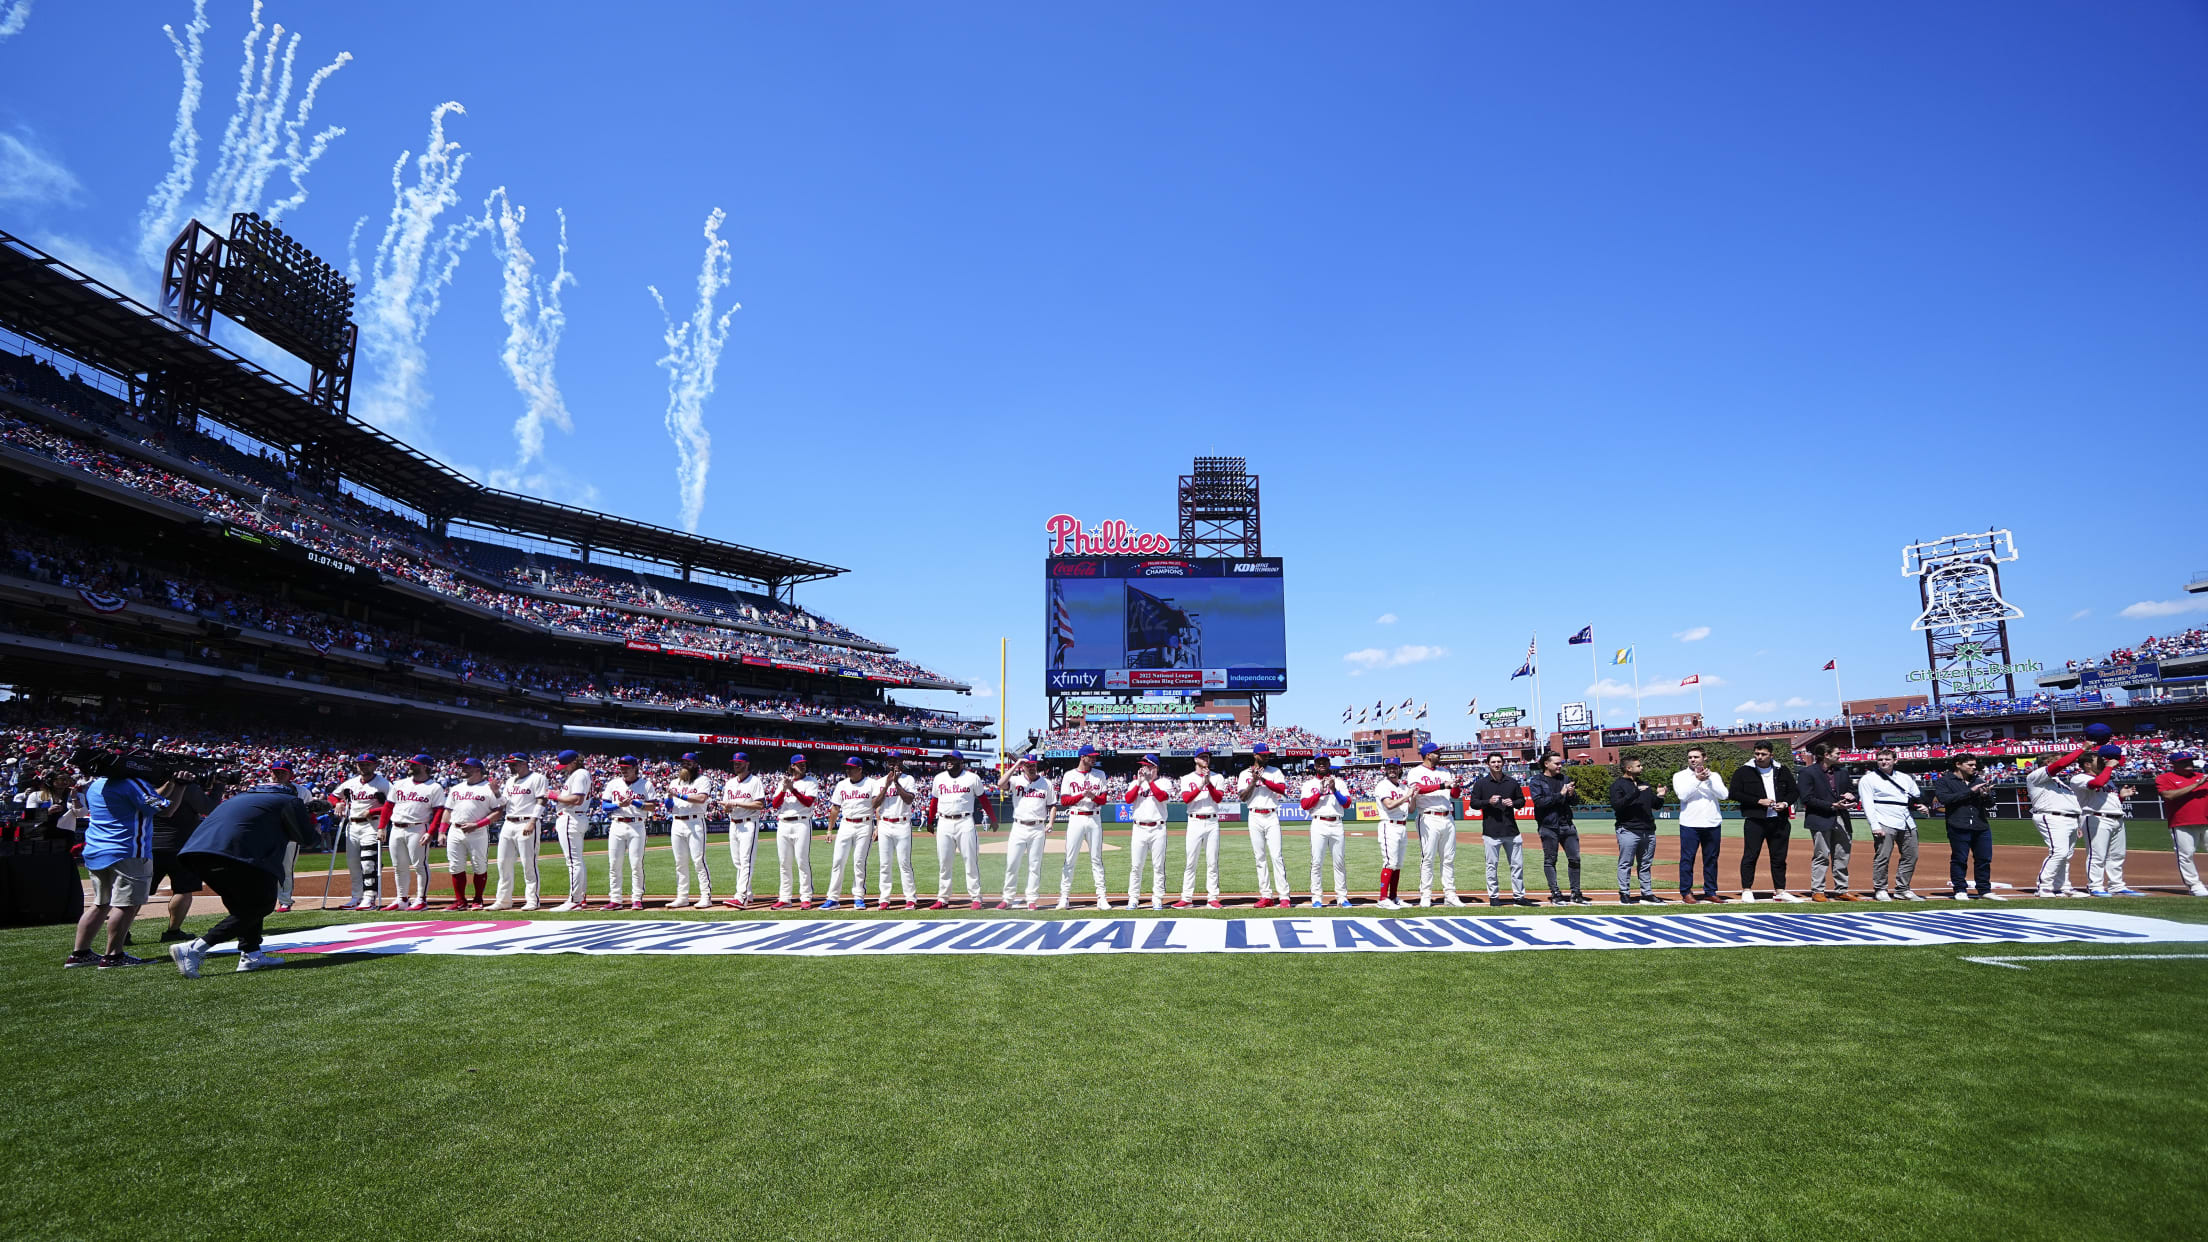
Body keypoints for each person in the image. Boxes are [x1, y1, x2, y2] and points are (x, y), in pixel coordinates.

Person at [166, 783, 319, 978]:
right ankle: (195, 947)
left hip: (196, 854)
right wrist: (310, 817)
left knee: (244, 907)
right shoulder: (290, 800)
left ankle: (251, 954)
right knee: (261, 905)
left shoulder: (239, 798)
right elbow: (307, 838)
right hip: (237, 854)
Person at [65, 757, 169, 969]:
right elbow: (161, 807)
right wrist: (176, 784)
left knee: (100, 904)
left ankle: (80, 953)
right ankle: (114, 955)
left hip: (96, 849)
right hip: (127, 850)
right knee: (127, 905)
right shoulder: (131, 783)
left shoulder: (97, 784)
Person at [1727, 742, 1802, 902]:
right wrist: (1758, 801)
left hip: (1779, 820)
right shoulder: (1743, 771)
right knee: (1750, 855)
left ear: (1771, 755)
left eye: (1763, 754)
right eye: (1756, 754)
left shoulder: (1782, 770)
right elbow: (1734, 793)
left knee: (1779, 857)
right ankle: (1747, 890)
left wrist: (1785, 804)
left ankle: (1780, 891)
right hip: (1755, 820)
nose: (1759, 757)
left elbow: (1794, 791)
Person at [1855, 748, 1928, 901]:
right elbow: (1867, 804)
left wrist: (1921, 806)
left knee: (1911, 855)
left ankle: (1903, 889)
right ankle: (1880, 889)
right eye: (1880, 759)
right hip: (1884, 820)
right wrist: (1874, 825)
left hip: (1906, 820)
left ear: (1895, 760)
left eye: (1887, 759)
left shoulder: (1905, 778)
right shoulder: (1868, 779)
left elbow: (1916, 796)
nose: (1884, 762)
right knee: (1882, 856)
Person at [149, 771, 213, 943]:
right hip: (181, 845)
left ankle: (124, 931)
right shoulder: (187, 787)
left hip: (150, 845)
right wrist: (219, 786)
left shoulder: (144, 787)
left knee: (140, 892)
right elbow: (209, 808)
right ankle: (173, 930)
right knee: (183, 889)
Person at [1929, 754, 2001, 900]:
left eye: (1975, 765)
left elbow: (1990, 804)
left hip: (1980, 825)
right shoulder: (1945, 781)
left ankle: (1984, 890)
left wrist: (1986, 795)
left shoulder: (1978, 780)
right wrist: (1971, 791)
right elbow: (1944, 799)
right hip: (1958, 824)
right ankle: (1960, 889)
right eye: (1970, 765)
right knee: (1959, 859)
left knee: (1984, 859)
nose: (1974, 768)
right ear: (1958, 764)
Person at [2025, 744, 2089, 898]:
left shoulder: (2059, 782)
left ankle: (2063, 887)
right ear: (2048, 762)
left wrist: (2078, 823)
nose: (2064, 763)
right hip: (2051, 816)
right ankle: (2044, 887)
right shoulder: (2036, 775)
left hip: (2069, 819)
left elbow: (2071, 803)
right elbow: (2061, 764)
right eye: (2057, 760)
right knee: (2058, 852)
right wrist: (2082, 749)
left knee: (2066, 855)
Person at [928, 751, 990, 910]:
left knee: (970, 861)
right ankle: (943, 898)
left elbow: (983, 799)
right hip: (944, 822)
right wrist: (930, 821)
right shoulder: (939, 778)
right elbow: (934, 801)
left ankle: (976, 898)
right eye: (947, 759)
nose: (949, 762)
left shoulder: (972, 778)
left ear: (961, 762)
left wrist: (993, 819)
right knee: (944, 862)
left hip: (965, 821)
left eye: (952, 759)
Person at [329, 755, 392, 912]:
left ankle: (370, 897)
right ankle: (356, 897)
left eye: (367, 764)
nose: (364, 767)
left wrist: (372, 811)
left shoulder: (383, 784)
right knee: (353, 863)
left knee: (368, 862)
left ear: (375, 766)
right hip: (352, 826)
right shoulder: (350, 783)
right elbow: (332, 796)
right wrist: (339, 803)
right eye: (360, 764)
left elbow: (393, 805)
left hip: (372, 825)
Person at [1798, 742, 1859, 902]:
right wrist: (1831, 805)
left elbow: (1852, 792)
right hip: (1820, 818)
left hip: (1842, 818)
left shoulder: (1842, 772)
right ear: (1826, 754)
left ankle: (1842, 890)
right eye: (1837, 753)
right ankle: (1817, 890)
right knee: (1821, 855)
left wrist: (1852, 798)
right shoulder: (1807, 772)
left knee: (1842, 855)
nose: (1840, 756)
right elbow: (1807, 798)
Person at [2076, 745, 2140, 898]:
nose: (2103, 763)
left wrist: (2122, 796)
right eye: (2099, 760)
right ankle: (2095, 885)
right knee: (2097, 855)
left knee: (2117, 855)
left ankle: (2116, 885)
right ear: (2087, 764)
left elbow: (2106, 799)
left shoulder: (2107, 779)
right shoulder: (2080, 778)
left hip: (2116, 817)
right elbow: (2096, 785)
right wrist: (2110, 767)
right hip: (2096, 817)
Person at [386, 754, 447, 911]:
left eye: (414, 764)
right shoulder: (399, 784)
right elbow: (388, 806)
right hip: (396, 827)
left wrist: (431, 831)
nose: (410, 766)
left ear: (425, 767)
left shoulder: (434, 787)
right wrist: (381, 827)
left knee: (420, 865)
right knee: (399, 866)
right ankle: (402, 899)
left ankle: (421, 899)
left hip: (418, 827)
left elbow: (439, 811)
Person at [1414, 744, 1472, 906]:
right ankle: (1425, 894)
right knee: (1428, 858)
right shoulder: (1416, 772)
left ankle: (1450, 894)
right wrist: (1442, 785)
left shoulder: (1444, 772)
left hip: (1447, 817)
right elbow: (1417, 789)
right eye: (1436, 752)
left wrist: (1456, 785)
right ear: (1427, 755)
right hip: (1428, 817)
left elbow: (1454, 794)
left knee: (1448, 858)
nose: (1439, 754)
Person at [1055, 745, 1111, 911]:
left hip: (1094, 817)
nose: (1094, 759)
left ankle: (1101, 897)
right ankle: (1064, 897)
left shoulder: (1100, 774)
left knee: (1096, 859)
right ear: (1082, 757)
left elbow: (1103, 800)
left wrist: (1093, 796)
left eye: (1095, 756)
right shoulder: (1069, 775)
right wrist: (1082, 795)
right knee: (1070, 859)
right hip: (1076, 817)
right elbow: (1064, 802)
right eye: (1091, 756)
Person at [1527, 753, 1588, 905]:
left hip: (1567, 824)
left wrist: (1572, 795)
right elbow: (1539, 802)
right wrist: (1560, 794)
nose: (1560, 766)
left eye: (1560, 763)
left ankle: (1576, 893)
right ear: (1546, 764)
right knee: (1550, 860)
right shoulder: (1536, 781)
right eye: (1556, 763)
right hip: (1548, 826)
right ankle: (1555, 894)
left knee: (1575, 859)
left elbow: (1573, 802)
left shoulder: (1564, 779)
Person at [488, 753, 546, 911]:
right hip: (509, 822)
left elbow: (542, 800)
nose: (510, 766)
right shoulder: (510, 781)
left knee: (529, 863)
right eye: (509, 763)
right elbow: (504, 803)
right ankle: (503, 900)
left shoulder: (537, 778)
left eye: (513, 763)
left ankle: (532, 900)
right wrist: (496, 792)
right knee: (503, 863)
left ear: (523, 763)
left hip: (526, 821)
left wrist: (533, 821)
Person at [1238, 743, 1292, 908]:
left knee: (1276, 856)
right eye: (1263, 755)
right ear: (1255, 755)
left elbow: (1281, 789)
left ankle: (1284, 896)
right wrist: (1253, 782)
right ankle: (1266, 895)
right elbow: (1243, 797)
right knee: (1260, 857)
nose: (1266, 757)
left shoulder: (1275, 771)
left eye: (1268, 755)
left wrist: (1262, 779)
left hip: (1271, 815)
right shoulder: (1244, 774)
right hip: (1254, 815)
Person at [1174, 748, 1229, 909]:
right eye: (1203, 757)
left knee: (1212, 862)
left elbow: (1218, 798)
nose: (1206, 759)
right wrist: (1200, 785)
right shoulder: (1187, 778)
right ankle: (1187, 898)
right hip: (1194, 820)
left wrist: (1208, 783)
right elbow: (1186, 799)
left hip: (1212, 821)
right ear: (1195, 759)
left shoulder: (1217, 777)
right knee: (1191, 861)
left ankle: (1212, 898)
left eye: (1208, 757)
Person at [1671, 747, 1727, 903]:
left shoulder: (1714, 776)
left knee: (1711, 859)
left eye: (1696, 757)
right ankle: (1686, 892)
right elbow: (1682, 796)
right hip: (1690, 823)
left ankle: (1710, 891)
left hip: (1712, 822)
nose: (1693, 760)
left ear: (1705, 757)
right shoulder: (1680, 776)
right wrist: (1697, 780)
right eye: (1690, 757)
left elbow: (1724, 795)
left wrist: (1708, 780)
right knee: (1687, 859)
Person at [1607, 756, 1666, 904]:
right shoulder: (1618, 785)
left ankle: (1647, 893)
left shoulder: (1644, 785)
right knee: (1626, 863)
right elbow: (1617, 805)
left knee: (1645, 864)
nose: (1642, 768)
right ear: (1629, 768)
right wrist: (1634, 792)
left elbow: (1656, 805)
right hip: (1628, 830)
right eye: (1638, 766)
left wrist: (1660, 796)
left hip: (1648, 830)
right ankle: (1624, 893)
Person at [1467, 752, 1523, 907]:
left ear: (1503, 763)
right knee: (1492, 866)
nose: (1496, 764)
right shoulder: (1481, 784)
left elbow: (1522, 801)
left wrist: (1513, 802)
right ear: (1488, 764)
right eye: (1493, 762)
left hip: (1511, 830)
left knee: (1517, 865)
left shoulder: (1511, 782)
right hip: (1491, 831)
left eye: (1499, 761)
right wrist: (1488, 802)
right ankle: (1494, 897)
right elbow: (1474, 803)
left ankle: (1519, 896)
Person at [443, 758, 499, 910]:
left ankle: (478, 899)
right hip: (455, 829)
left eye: (467, 767)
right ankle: (460, 901)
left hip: (477, 831)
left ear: (477, 770)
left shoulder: (488, 788)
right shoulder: (456, 788)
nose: (463, 769)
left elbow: (498, 812)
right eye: (463, 767)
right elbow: (448, 810)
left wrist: (477, 824)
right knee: (455, 866)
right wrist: (442, 831)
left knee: (479, 865)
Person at [825, 757, 879, 911]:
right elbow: (835, 808)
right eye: (846, 767)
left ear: (860, 769)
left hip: (864, 824)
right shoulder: (842, 784)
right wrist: (829, 829)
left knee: (859, 862)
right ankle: (833, 898)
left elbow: (877, 807)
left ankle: (858, 897)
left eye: (851, 767)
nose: (848, 770)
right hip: (846, 824)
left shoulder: (871, 784)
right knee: (838, 861)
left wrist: (878, 826)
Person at [768, 754, 820, 910]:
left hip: (801, 822)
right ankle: (785, 898)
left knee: (802, 861)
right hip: (783, 823)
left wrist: (793, 790)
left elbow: (808, 802)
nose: (802, 766)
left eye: (804, 763)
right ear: (792, 766)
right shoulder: (782, 782)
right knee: (784, 863)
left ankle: (806, 897)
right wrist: (784, 789)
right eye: (799, 764)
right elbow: (775, 804)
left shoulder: (811, 781)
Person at [2153, 751, 2208, 897]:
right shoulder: (2165, 778)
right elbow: (2168, 795)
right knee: (2186, 855)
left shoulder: (2202, 777)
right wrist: (2197, 785)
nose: (2189, 764)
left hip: (2206, 820)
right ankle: (2194, 885)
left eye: (2190, 761)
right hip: (2182, 822)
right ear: (2174, 764)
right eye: (2184, 761)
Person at [601, 755, 653, 911]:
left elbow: (652, 806)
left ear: (635, 768)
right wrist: (618, 804)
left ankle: (636, 898)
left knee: (636, 864)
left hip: (636, 825)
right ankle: (615, 899)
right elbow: (604, 806)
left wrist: (636, 802)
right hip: (617, 824)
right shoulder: (613, 783)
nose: (623, 770)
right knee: (614, 864)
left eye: (627, 767)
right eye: (621, 767)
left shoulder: (646, 784)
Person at [1301, 754, 1353, 908]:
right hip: (1318, 823)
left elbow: (1347, 803)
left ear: (1329, 763)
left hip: (1336, 823)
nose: (1322, 764)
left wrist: (1334, 790)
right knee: (1316, 862)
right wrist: (1320, 792)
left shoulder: (1339, 783)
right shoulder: (1309, 784)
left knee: (1339, 862)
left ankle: (1342, 897)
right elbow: (1304, 805)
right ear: (1315, 765)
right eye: (1319, 762)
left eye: (1324, 762)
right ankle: (1316, 897)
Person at [872, 757, 923, 910]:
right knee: (884, 864)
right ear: (886, 764)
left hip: (902, 823)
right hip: (885, 823)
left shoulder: (909, 779)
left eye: (896, 761)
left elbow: (908, 800)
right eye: (890, 762)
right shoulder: (880, 781)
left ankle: (910, 899)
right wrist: (887, 785)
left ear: (901, 762)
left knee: (904, 863)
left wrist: (896, 782)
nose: (893, 764)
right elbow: (874, 804)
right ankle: (884, 899)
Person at [665, 753, 716, 909]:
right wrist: (669, 797)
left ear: (695, 764)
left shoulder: (703, 780)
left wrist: (679, 795)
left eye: (688, 762)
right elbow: (668, 805)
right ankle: (682, 896)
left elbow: (701, 799)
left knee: (698, 860)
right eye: (683, 762)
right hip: (677, 821)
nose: (684, 765)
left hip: (695, 821)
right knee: (680, 862)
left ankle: (706, 896)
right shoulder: (675, 781)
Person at [1123, 754, 1173, 910]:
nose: (1144, 768)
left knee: (1158, 866)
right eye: (1143, 765)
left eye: (1148, 765)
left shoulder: (1164, 782)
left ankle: (1157, 898)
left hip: (1158, 827)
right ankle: (1133, 898)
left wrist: (1150, 781)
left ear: (1155, 768)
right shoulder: (1135, 783)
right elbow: (1128, 799)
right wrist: (1139, 782)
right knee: (1136, 866)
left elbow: (1162, 796)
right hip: (1139, 828)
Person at [719, 752, 766, 909]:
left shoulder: (755, 781)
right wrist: (727, 807)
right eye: (734, 762)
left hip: (748, 824)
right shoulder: (730, 783)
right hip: (733, 823)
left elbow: (760, 805)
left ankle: (741, 897)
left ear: (747, 764)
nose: (736, 765)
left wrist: (737, 804)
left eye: (739, 762)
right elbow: (727, 808)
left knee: (746, 861)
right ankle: (749, 893)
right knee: (738, 862)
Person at [549, 750, 594, 911]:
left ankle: (574, 900)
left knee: (573, 862)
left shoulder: (580, 774)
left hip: (571, 817)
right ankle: (580, 898)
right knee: (577, 860)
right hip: (574, 817)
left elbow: (576, 799)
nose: (563, 769)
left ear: (574, 762)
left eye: (565, 765)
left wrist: (554, 796)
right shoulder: (579, 774)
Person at [1371, 756, 1414, 909]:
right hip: (1389, 825)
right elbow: (1389, 805)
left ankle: (1393, 896)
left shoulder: (1402, 787)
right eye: (1389, 767)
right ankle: (1383, 898)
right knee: (1390, 862)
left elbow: (1411, 809)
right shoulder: (1383, 786)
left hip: (1402, 825)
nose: (1392, 770)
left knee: (1397, 864)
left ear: (1399, 769)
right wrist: (1407, 796)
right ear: (1385, 770)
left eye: (1394, 767)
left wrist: (1413, 797)